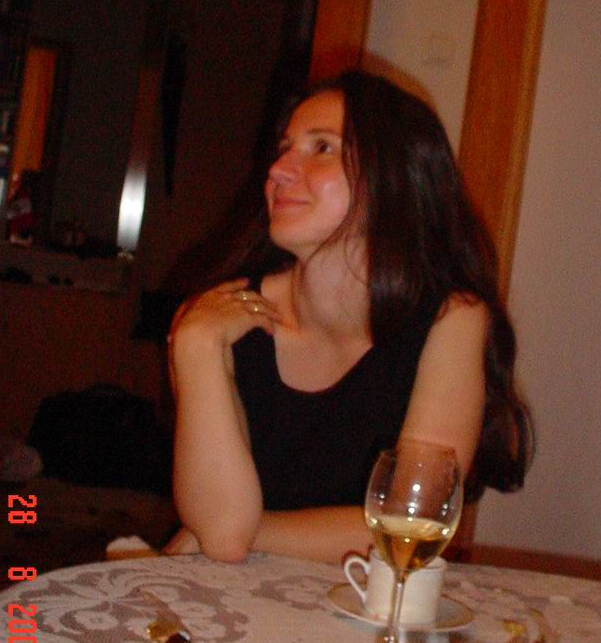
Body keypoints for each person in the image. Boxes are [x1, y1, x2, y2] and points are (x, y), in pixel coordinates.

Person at [164, 69, 533, 563]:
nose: (278, 171)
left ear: (391, 179)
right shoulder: (211, 326)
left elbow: (413, 524)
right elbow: (225, 536)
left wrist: (244, 532)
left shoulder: (451, 319)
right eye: (284, 149)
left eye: (322, 148)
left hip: (371, 604)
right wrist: (194, 347)